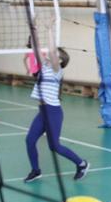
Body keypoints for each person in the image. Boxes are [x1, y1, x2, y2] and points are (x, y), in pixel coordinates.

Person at [24, 47, 89, 184]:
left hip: (53, 112)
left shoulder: (56, 70)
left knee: (55, 146)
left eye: (55, 54)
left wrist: (49, 30)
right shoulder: (44, 67)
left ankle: (81, 163)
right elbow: (37, 48)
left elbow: (51, 46)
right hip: (42, 112)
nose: (50, 54)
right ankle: (36, 171)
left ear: (59, 60)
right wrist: (33, 27)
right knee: (30, 140)